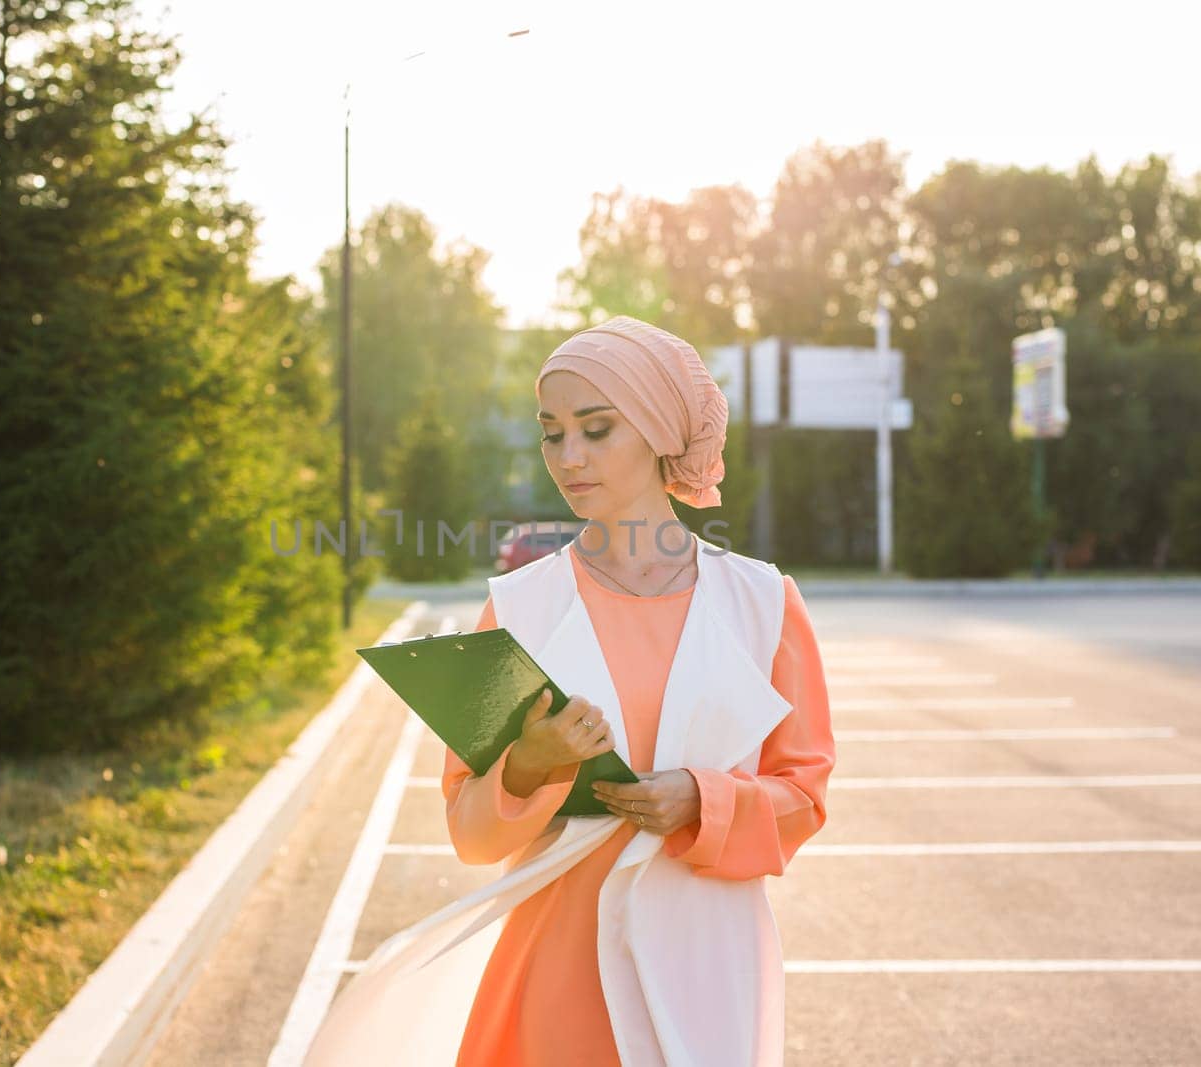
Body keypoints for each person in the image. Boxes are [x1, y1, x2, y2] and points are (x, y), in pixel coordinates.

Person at [304, 315, 835, 1067]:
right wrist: (529, 762)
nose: (568, 456)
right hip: (555, 973)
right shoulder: (519, 608)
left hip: (707, 965)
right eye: (552, 433)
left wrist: (702, 800)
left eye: (596, 428)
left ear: (656, 432)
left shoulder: (764, 603)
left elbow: (804, 796)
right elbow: (472, 832)